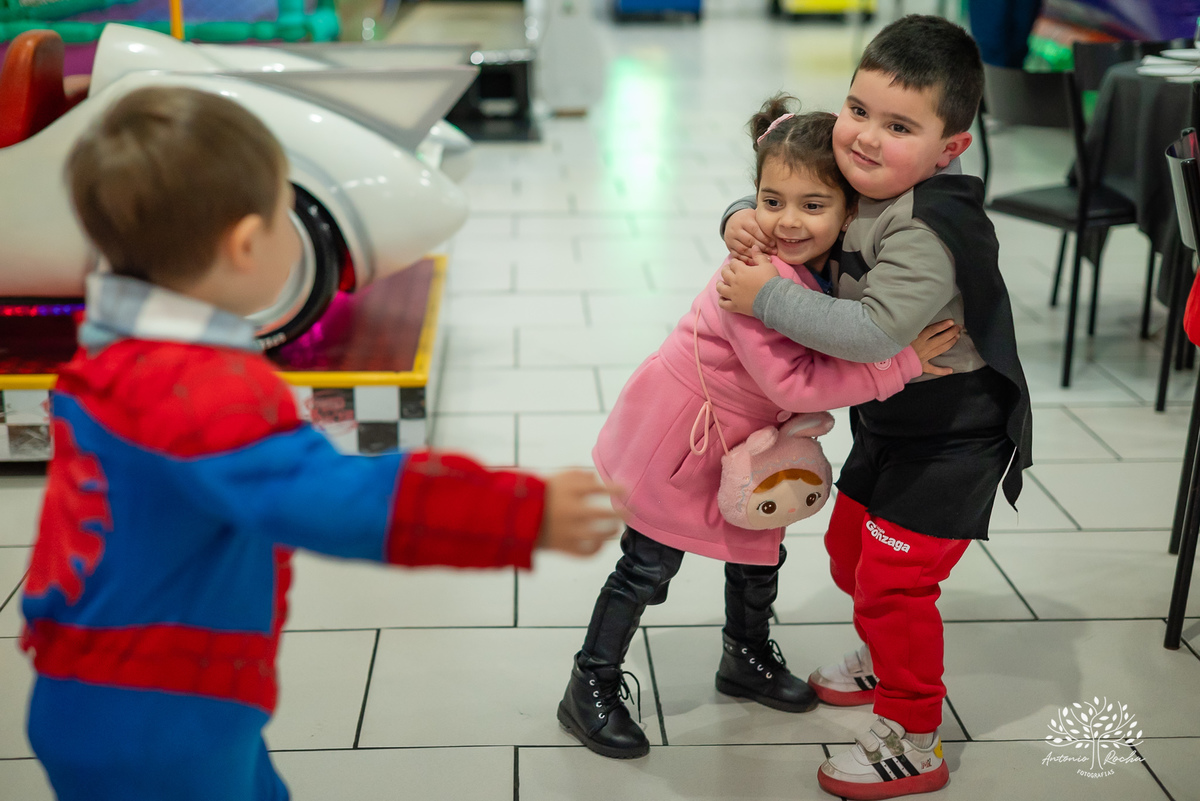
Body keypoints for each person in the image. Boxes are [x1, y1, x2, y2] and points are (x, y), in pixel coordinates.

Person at [19, 85, 622, 801]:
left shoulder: (105, 358)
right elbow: (340, 501)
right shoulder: (198, 395)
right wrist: (519, 511)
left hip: (95, 688)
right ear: (247, 244)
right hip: (163, 718)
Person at [556, 96, 962, 761]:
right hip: (683, 437)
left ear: (847, 210)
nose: (787, 221)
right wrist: (903, 365)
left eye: (811, 205)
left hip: (746, 443)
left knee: (758, 554)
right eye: (770, 202)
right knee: (648, 564)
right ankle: (589, 681)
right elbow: (793, 384)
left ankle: (744, 654)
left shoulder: (819, 267)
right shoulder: (754, 278)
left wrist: (743, 216)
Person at [716, 15, 1033, 801]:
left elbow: (870, 331)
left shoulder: (927, 228)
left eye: (898, 126)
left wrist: (764, 298)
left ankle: (914, 731)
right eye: (859, 109)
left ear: (948, 148)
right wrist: (739, 216)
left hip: (954, 435)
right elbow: (785, 180)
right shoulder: (865, 175)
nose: (862, 139)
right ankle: (885, 654)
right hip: (890, 419)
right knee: (849, 553)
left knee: (894, 583)